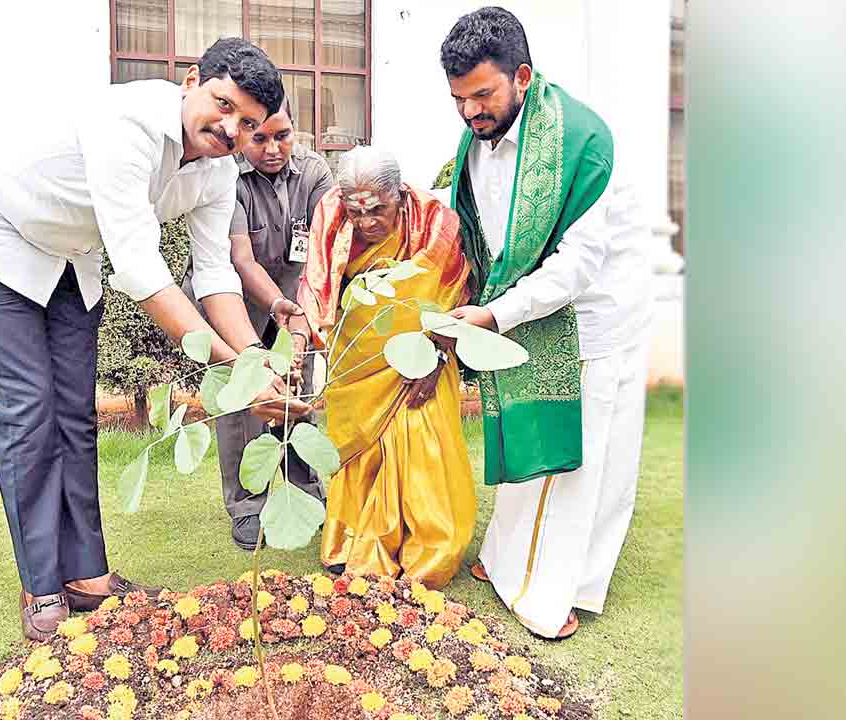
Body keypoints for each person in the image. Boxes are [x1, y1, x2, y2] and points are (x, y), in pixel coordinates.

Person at [0, 38, 311, 642]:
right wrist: (233, 368)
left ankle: (87, 576)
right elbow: (139, 269)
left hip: (66, 257)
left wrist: (255, 363)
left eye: (248, 123)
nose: (231, 128)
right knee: (31, 410)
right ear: (191, 80)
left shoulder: (217, 172)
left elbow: (214, 274)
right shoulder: (127, 124)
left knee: (76, 417)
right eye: (223, 104)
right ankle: (42, 581)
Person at [438, 7, 654, 639]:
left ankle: (553, 590)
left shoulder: (582, 141)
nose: (471, 111)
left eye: (483, 94)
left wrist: (493, 314)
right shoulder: (477, 140)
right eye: (459, 98)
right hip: (525, 306)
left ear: (522, 77)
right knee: (527, 433)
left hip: (592, 317)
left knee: (579, 463)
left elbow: (577, 265)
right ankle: (504, 558)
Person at [292, 146, 477, 590]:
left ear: (400, 194)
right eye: (356, 211)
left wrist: (435, 357)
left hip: (423, 354)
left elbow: (454, 295)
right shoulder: (331, 214)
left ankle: (425, 549)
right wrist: (301, 348)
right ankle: (357, 543)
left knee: (422, 448)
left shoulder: (436, 225)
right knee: (359, 452)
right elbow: (317, 289)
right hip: (357, 361)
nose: (366, 222)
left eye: (377, 209)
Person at [183, 97, 334, 550]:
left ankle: (303, 489)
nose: (272, 148)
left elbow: (323, 255)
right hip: (232, 302)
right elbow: (239, 260)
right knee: (241, 402)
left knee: (296, 389)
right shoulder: (226, 175)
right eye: (260, 138)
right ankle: (247, 504)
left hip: (294, 300)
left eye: (282, 136)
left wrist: (300, 324)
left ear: (296, 130)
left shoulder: (315, 174)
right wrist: (277, 307)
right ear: (245, 134)